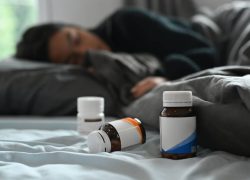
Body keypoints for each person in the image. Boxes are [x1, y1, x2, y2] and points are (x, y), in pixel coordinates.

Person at [15, 8, 217, 98]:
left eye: (76, 39)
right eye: (73, 58)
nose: (87, 50)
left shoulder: (126, 23)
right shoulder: (91, 74)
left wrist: (166, 76)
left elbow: (205, 52)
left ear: (75, 26)